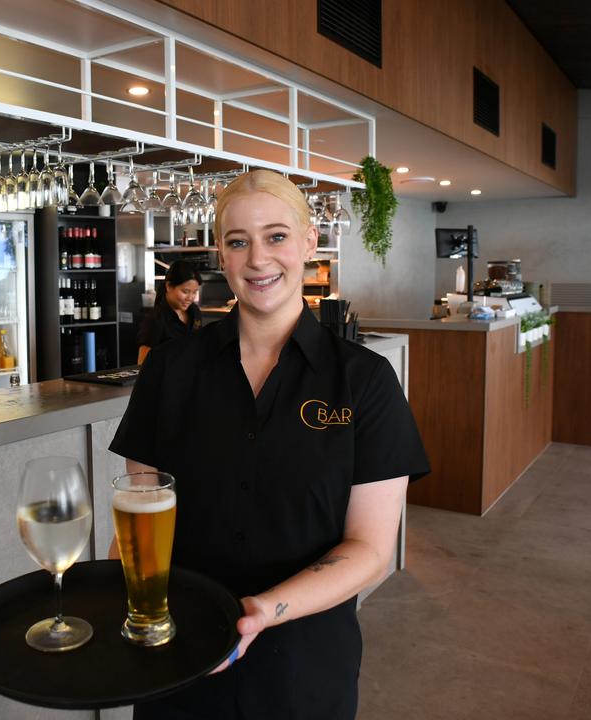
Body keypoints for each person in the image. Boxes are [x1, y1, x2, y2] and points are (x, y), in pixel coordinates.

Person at [109, 170, 429, 719]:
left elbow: (370, 550)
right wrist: (120, 602)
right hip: (182, 655)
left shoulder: (365, 381)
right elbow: (140, 513)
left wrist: (260, 611)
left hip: (303, 665)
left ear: (308, 242)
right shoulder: (170, 368)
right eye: (238, 242)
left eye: (276, 236)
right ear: (222, 255)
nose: (258, 259)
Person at [137, 260, 203, 364]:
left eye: (194, 292)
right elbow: (142, 362)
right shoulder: (155, 318)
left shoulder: (194, 311)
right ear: (169, 286)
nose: (190, 298)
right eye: (185, 292)